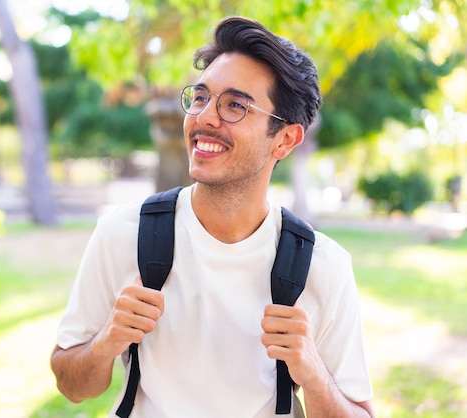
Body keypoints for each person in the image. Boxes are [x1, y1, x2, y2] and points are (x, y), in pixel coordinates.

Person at [51, 16, 374, 418]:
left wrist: (311, 370)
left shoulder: (324, 266)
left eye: (235, 105)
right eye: (201, 98)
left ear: (286, 139)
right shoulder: (123, 233)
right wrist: (106, 341)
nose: (204, 118)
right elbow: (71, 384)